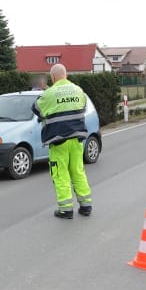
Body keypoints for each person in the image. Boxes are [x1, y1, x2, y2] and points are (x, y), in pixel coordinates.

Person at [32, 64, 93, 220]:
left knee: (61, 174)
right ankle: (86, 206)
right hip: (77, 139)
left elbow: (36, 109)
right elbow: (83, 108)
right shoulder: (79, 90)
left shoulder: (49, 93)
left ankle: (66, 209)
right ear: (66, 75)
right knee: (78, 171)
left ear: (52, 77)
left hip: (59, 140)